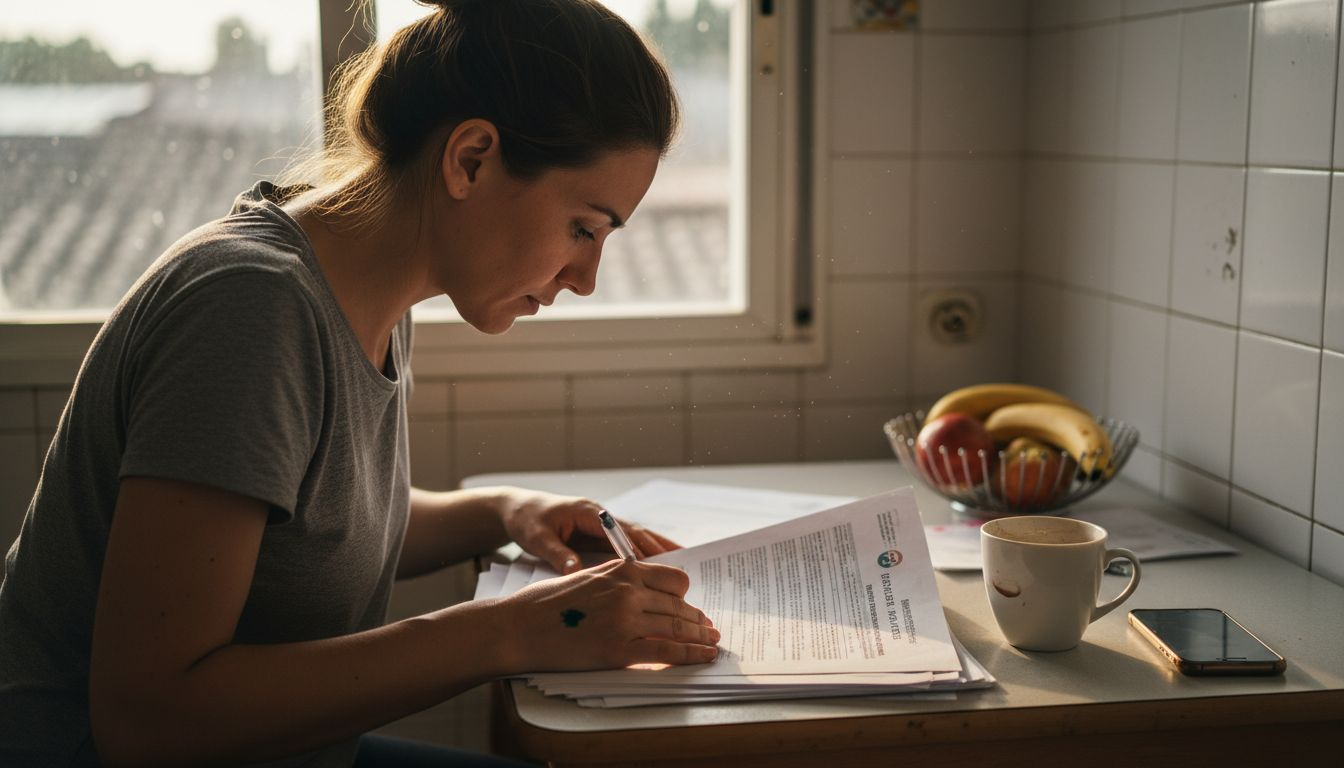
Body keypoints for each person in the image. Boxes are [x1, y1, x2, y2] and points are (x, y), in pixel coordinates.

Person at [0, 1, 720, 765]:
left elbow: (311, 528)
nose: (586, 278)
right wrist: (509, 632)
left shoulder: (364, 288)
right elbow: (146, 721)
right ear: (471, 159)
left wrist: (505, 512)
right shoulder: (250, 308)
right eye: (584, 228)